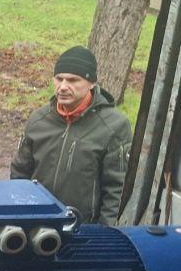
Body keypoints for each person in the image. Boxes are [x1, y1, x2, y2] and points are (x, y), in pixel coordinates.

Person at [10, 46, 132, 225]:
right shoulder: (38, 120)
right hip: (36, 225)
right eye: (59, 79)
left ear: (91, 83)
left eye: (73, 80)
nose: (63, 87)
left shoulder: (114, 126)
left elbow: (116, 190)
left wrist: (104, 233)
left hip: (83, 229)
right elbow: (19, 173)